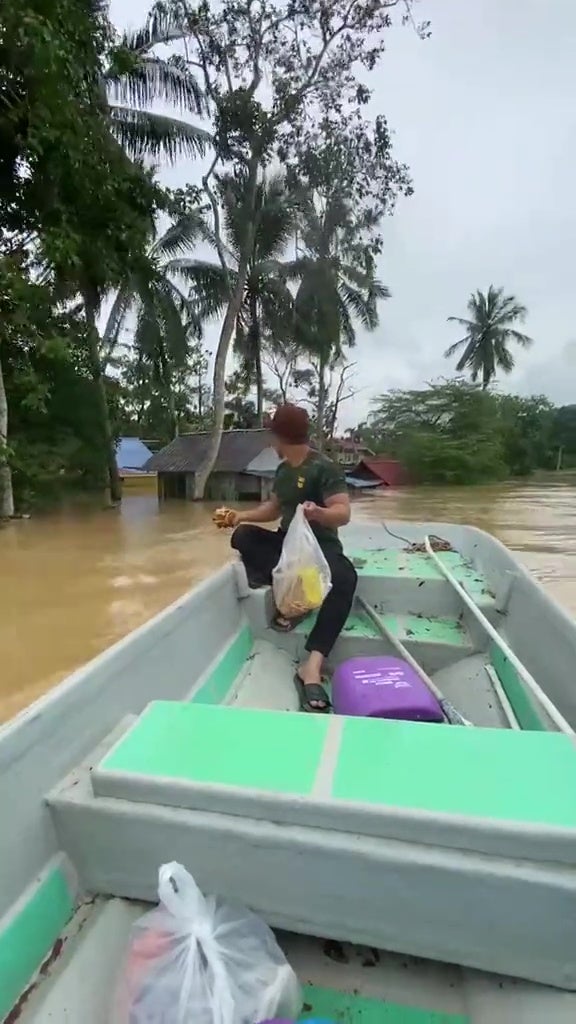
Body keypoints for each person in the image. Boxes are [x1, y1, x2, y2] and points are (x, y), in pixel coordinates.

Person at [229, 404, 358, 713]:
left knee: (345, 578)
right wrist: (238, 516)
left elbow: (343, 513)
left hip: (319, 550)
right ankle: (294, 593)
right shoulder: (284, 470)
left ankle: (311, 665)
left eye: (271, 436)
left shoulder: (323, 467)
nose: (270, 443)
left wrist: (319, 513)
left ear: (279, 436)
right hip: (288, 546)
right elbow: (273, 510)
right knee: (243, 537)